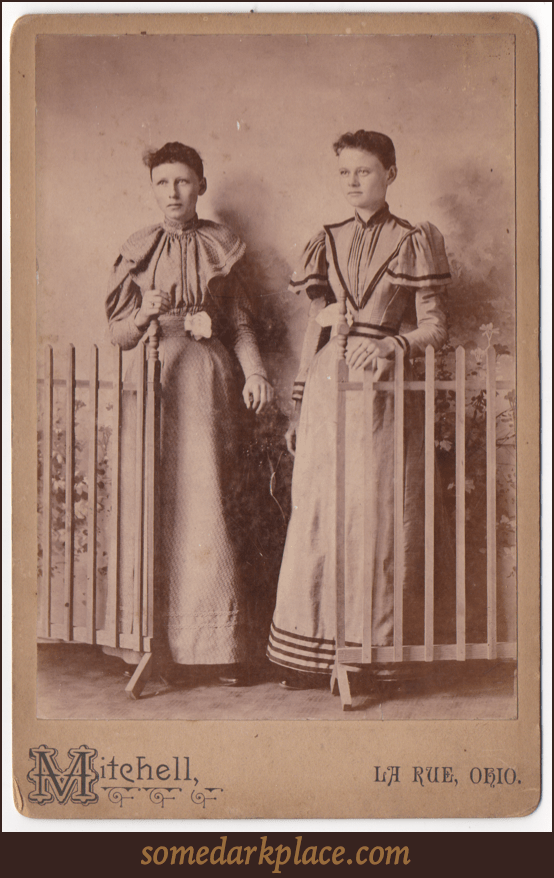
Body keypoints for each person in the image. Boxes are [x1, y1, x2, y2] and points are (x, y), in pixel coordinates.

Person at [267, 130, 452, 689]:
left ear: (390, 174)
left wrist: (394, 345)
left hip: (383, 391)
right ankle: (314, 654)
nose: (353, 181)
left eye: (365, 171)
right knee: (320, 513)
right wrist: (299, 403)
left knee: (377, 515)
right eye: (345, 172)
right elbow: (316, 328)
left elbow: (437, 327)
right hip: (328, 389)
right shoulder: (325, 238)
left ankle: (374, 655)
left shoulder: (414, 238)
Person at [106, 142, 273, 685]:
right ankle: (153, 647)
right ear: (152, 189)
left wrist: (254, 372)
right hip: (153, 382)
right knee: (154, 502)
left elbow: (244, 325)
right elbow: (118, 334)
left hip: (206, 382)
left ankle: (216, 647)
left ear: (201, 184)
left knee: (206, 498)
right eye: (162, 183)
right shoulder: (138, 249)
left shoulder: (222, 245)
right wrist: (143, 315)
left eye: (183, 181)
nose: (173, 192)